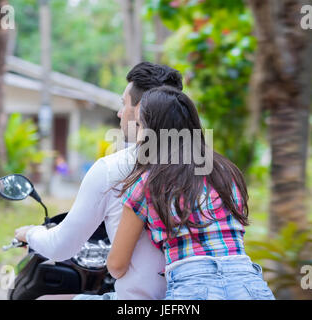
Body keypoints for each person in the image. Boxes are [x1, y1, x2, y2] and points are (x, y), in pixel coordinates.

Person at [14, 62, 184, 300]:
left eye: (124, 104)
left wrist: (30, 233)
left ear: (143, 111)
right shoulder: (204, 169)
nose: (119, 113)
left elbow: (63, 246)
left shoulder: (113, 169)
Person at [107, 86, 275, 300]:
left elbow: (117, 265)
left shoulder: (146, 184)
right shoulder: (225, 173)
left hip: (193, 290)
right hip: (249, 285)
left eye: (140, 125)